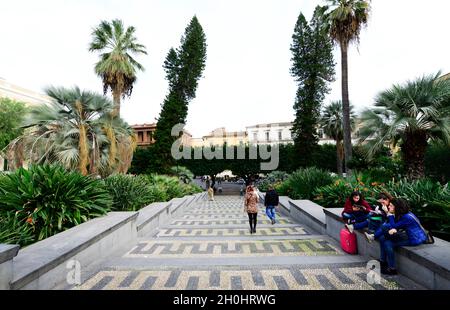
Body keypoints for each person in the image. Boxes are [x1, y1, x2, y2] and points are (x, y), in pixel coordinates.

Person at [364, 198, 427, 275]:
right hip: (409, 235)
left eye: (391, 206)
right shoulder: (405, 214)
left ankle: (392, 269)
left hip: (414, 239)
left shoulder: (407, 217)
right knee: (382, 238)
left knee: (388, 242)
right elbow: (396, 225)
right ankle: (383, 261)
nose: (389, 207)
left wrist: (389, 214)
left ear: (397, 207)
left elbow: (393, 225)